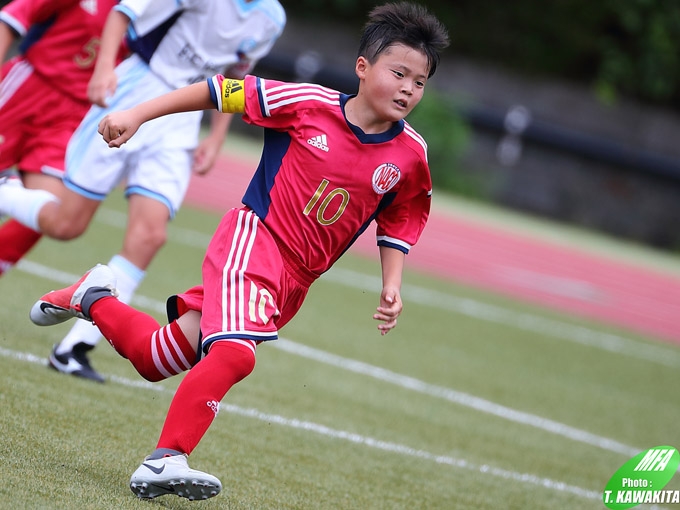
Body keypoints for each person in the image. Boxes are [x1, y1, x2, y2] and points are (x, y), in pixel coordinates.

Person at [29, 2, 449, 501]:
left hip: (294, 282)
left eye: (419, 82)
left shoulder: (411, 155)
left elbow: (399, 217)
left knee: (155, 357)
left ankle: (93, 296)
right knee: (235, 354)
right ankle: (165, 459)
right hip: (254, 240)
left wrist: (392, 283)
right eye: (398, 73)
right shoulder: (308, 103)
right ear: (363, 66)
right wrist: (138, 113)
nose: (408, 89)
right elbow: (218, 91)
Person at [0, 0, 286, 383]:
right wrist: (104, 70)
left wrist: (217, 136)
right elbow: (123, 13)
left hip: (181, 119)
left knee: (150, 236)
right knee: (66, 224)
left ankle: (74, 348)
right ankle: (6, 189)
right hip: (135, 92)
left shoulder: (272, 18)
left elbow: (235, 77)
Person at [0, 0, 124, 273]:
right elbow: (11, 19)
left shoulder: (158, 13)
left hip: (75, 117)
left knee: (50, 210)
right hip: (27, 87)